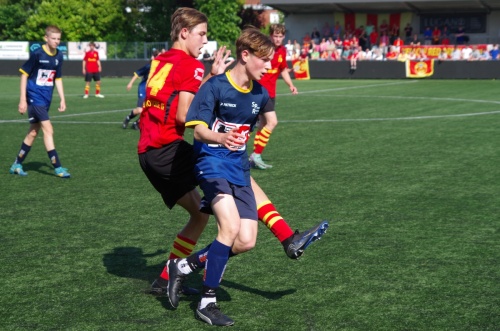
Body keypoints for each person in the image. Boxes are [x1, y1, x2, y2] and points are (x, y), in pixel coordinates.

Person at [138, 6, 328, 308]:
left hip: (149, 150)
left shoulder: (160, 59)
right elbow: (186, 114)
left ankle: (165, 278)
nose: (205, 40)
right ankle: (285, 236)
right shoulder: (190, 65)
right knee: (233, 172)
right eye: (201, 34)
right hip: (168, 148)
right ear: (184, 33)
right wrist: (212, 86)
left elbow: (158, 101)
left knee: (201, 214)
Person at [9, 25, 70, 178]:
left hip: (46, 99)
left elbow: (58, 78)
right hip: (34, 97)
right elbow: (24, 75)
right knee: (48, 130)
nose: (56, 41)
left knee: (33, 132)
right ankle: (58, 167)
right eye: (53, 38)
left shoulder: (59, 56)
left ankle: (16, 164)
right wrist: (22, 100)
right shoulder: (37, 54)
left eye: (59, 39)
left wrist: (62, 98)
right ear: (46, 38)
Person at [249, 24, 298, 169]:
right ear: (270, 36)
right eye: (275, 36)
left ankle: (254, 156)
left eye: (280, 36)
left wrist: (290, 85)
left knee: (263, 125)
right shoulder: (264, 48)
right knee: (271, 122)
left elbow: (282, 70)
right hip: (258, 92)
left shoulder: (282, 50)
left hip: (270, 93)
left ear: (284, 36)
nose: (277, 39)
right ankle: (255, 154)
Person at [122, 49, 159, 130]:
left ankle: (137, 123)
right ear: (153, 57)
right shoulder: (149, 66)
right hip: (143, 89)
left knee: (151, 110)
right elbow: (137, 74)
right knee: (140, 110)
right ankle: (128, 118)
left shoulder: (161, 68)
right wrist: (130, 83)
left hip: (153, 91)